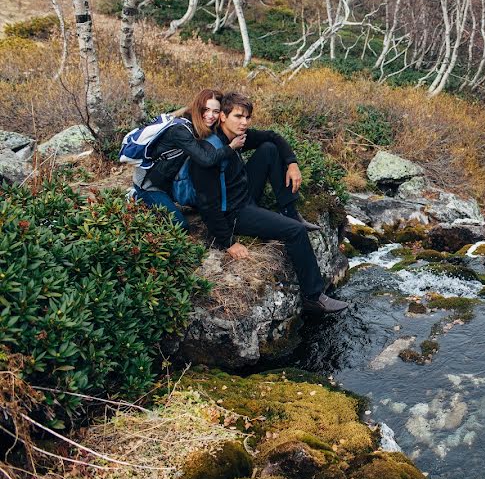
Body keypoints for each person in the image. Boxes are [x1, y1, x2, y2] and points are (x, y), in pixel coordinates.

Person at [191, 92, 348, 314]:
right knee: (295, 232)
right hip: (234, 213)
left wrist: (292, 164)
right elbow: (207, 204)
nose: (244, 122)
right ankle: (313, 297)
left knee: (269, 149)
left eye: (247, 117)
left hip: (243, 195)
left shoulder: (237, 137)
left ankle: (289, 211)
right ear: (223, 117)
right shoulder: (209, 151)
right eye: (238, 116)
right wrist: (228, 242)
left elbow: (273, 137)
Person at [132, 89, 245, 230]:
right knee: (181, 226)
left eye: (216, 111)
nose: (211, 116)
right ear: (198, 108)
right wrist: (231, 147)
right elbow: (205, 159)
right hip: (149, 184)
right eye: (206, 109)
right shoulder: (181, 130)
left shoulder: (201, 125)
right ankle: (137, 197)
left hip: (170, 179)